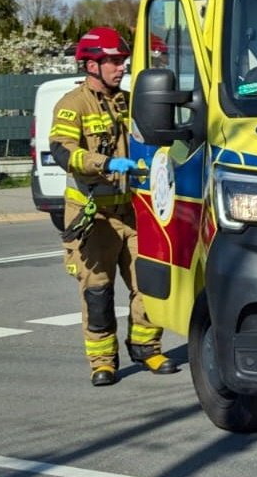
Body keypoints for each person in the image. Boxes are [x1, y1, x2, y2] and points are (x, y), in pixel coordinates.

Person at [50, 27, 177, 386]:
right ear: (92, 65)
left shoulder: (127, 101)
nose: (121, 68)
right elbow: (63, 151)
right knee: (98, 291)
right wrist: (103, 164)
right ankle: (103, 362)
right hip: (95, 218)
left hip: (134, 212)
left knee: (148, 284)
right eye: (113, 61)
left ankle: (147, 348)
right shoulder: (72, 105)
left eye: (122, 61)